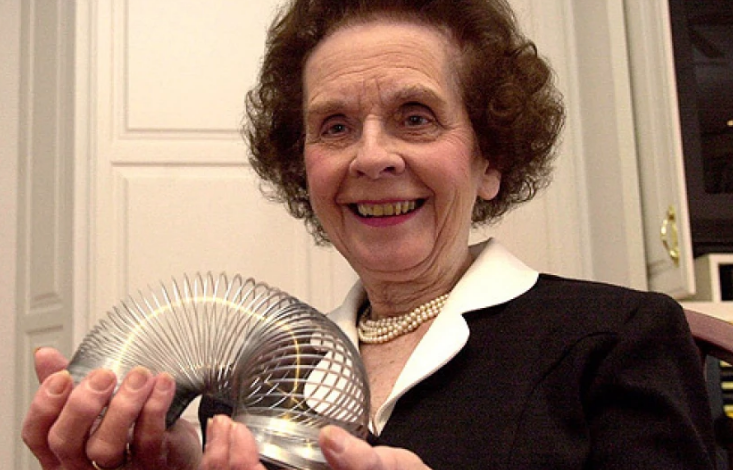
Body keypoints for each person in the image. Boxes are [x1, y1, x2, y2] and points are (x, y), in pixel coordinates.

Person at [22, 0, 717, 469]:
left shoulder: (615, 337)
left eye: (415, 117)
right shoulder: (257, 379)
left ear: (490, 161)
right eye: (335, 126)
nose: (371, 156)